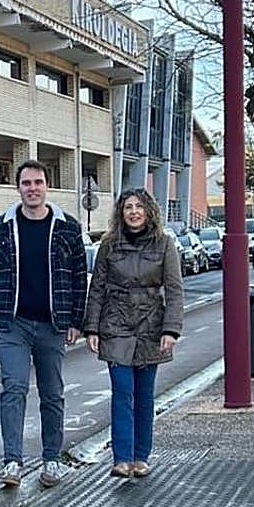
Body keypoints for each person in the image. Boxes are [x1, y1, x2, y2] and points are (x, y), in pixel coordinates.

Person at [0, 159, 88, 490]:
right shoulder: (1, 227)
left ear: (47, 187)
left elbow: (79, 277)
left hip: (53, 323)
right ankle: (12, 461)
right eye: (26, 183)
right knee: (13, 388)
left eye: (38, 182)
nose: (33, 189)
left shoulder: (67, 227)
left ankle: (52, 459)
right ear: (18, 188)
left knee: (52, 393)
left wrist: (76, 320)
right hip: (13, 323)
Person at [83, 189, 183, 478]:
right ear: (121, 213)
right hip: (116, 324)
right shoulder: (109, 245)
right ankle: (121, 457)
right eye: (128, 207)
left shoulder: (165, 245)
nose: (134, 212)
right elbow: (97, 288)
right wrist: (92, 327)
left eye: (139, 206)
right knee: (122, 391)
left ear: (149, 211)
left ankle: (141, 456)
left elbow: (174, 290)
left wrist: (171, 329)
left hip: (150, 325)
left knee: (144, 395)